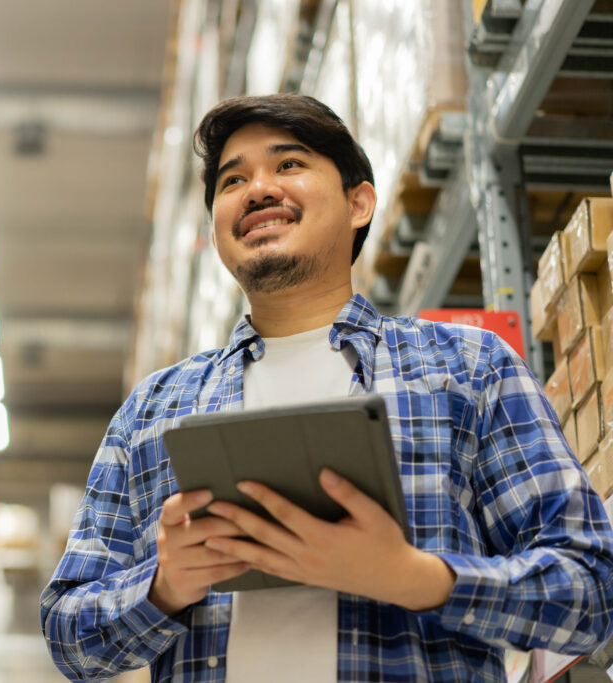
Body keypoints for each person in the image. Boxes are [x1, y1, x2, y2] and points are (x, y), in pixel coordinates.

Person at [39, 93, 613, 682]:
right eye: (232, 180)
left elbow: (593, 592)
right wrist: (161, 587)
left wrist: (416, 578)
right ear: (216, 228)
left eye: (289, 165)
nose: (259, 188)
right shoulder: (154, 411)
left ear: (359, 202)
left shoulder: (468, 370)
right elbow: (68, 635)